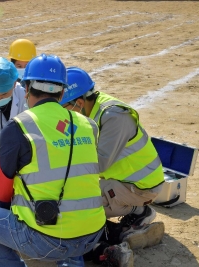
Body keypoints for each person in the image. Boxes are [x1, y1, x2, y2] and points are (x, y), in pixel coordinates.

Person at [0, 54, 132, 267]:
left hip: (45, 238)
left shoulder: (19, 126)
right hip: (91, 234)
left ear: (27, 88)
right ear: (63, 91)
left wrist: (3, 220)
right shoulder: (88, 125)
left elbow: (1, 190)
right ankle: (73, 262)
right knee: (69, 204)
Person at [60, 67, 165, 247]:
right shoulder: (85, 113)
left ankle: (138, 211)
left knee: (76, 202)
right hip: (117, 180)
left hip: (140, 188)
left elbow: (99, 164)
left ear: (78, 102)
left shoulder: (114, 116)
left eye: (63, 107)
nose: (61, 113)